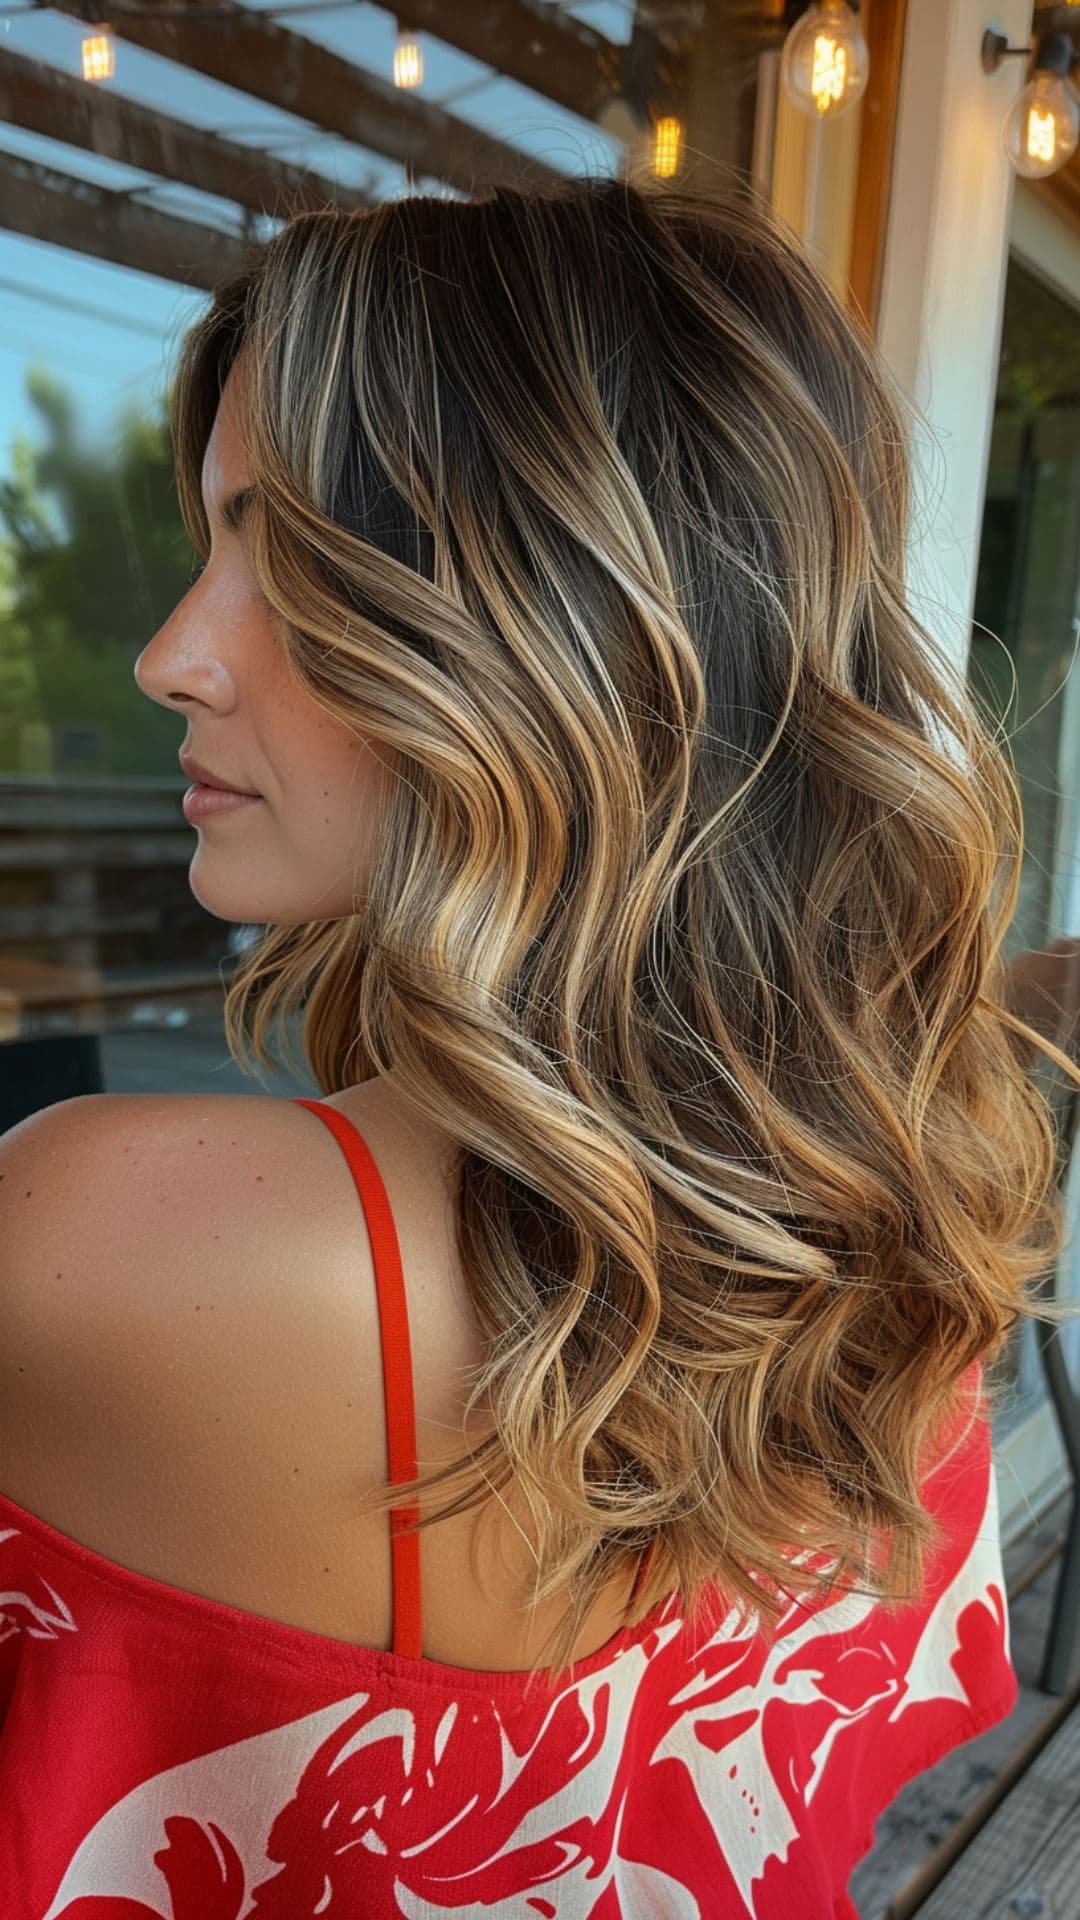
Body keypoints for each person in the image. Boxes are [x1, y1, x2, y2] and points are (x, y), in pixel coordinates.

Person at [1, 174, 1075, 1919]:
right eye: (211, 549)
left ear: (566, 629)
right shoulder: (895, 1174)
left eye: (289, 558)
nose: (168, 655)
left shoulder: (91, 1242)